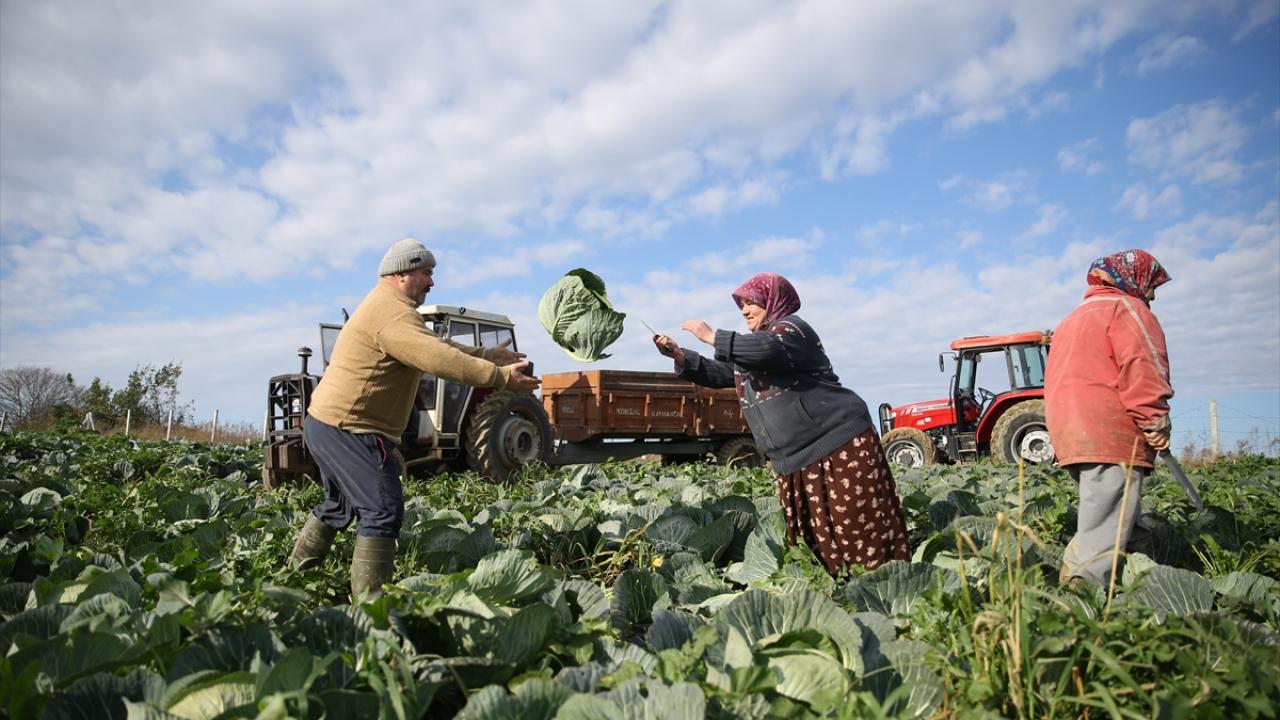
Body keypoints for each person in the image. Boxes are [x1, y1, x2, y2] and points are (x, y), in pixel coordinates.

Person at [288, 238, 540, 599]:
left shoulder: (390, 308)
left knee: (338, 504)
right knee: (382, 510)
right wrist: (502, 378)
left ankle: (296, 576)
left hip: (326, 423)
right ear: (402, 274)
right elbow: (438, 360)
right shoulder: (392, 314)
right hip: (353, 427)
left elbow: (439, 346)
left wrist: (487, 354)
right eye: (427, 273)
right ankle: (372, 608)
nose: (431, 282)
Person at [652, 272, 910, 576]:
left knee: (858, 526)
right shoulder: (758, 348)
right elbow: (723, 372)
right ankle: (842, 590)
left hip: (838, 446)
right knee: (816, 539)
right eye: (742, 306)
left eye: (752, 303)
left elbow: (767, 348)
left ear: (773, 301)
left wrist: (713, 337)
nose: (745, 311)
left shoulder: (792, 331)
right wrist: (681, 356)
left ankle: (884, 587)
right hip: (796, 457)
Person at [1045, 249, 1173, 587]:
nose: (1152, 296)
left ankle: (1141, 586)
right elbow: (1144, 367)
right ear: (1134, 280)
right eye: (1151, 287)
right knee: (1104, 529)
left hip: (1071, 432)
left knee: (1120, 517)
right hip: (1110, 432)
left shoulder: (1071, 318)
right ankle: (1079, 605)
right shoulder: (1128, 310)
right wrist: (1155, 420)